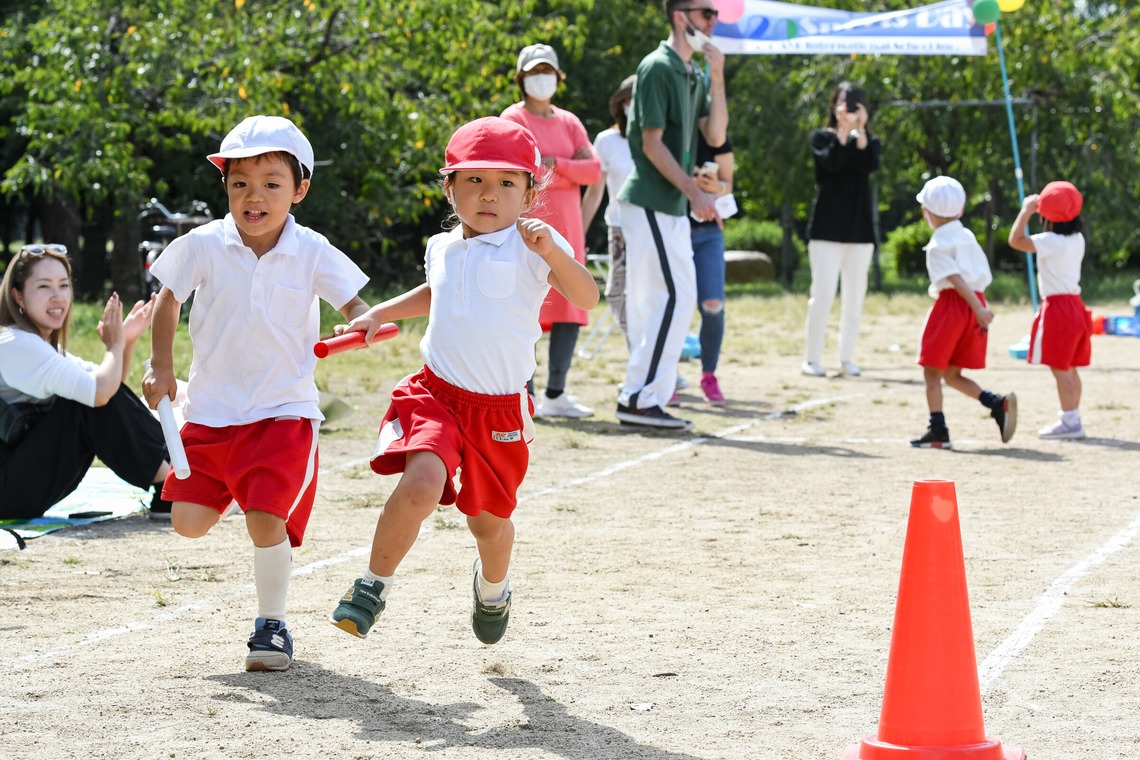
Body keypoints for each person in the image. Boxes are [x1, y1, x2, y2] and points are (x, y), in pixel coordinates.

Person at [328, 117, 598, 646]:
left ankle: (493, 588)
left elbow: (586, 297)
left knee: (487, 524)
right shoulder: (441, 246)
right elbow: (439, 291)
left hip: (499, 411)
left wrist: (552, 253)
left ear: (530, 191)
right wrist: (380, 312)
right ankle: (371, 586)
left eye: (505, 183)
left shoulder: (534, 246)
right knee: (422, 483)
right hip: (438, 394)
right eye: (473, 180)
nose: (488, 194)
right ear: (450, 187)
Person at [142, 115, 371, 672]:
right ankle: (242, 488)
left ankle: (271, 627)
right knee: (187, 522)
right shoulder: (203, 243)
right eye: (240, 182)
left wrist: (363, 322)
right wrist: (161, 365)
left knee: (264, 519)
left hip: (282, 412)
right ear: (225, 187)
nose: (255, 196)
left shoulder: (312, 249)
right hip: (212, 411)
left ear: (300, 189)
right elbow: (168, 299)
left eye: (272, 182)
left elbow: (357, 307)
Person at [615, 0, 727, 430]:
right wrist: (694, 192)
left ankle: (646, 397)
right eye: (706, 13)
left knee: (665, 303)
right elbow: (651, 144)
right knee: (676, 300)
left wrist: (717, 75)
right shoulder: (657, 66)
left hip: (670, 206)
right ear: (681, 16)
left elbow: (714, 135)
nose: (713, 22)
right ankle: (639, 398)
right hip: (652, 201)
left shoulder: (693, 73)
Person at [0, 244, 170, 520]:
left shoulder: (38, 345)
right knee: (81, 402)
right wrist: (114, 346)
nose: (58, 297)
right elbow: (99, 394)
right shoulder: (15, 344)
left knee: (88, 397)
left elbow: (108, 393)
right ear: (18, 295)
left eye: (64, 285)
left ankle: (173, 475)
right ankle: (171, 485)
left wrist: (124, 342)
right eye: (44, 287)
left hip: (16, 482)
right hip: (7, 488)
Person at [501, 43, 601, 419]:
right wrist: (567, 169)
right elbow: (520, 171)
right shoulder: (513, 118)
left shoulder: (570, 121)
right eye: (532, 72)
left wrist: (554, 164)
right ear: (521, 78)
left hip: (568, 231)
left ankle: (556, 393)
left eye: (547, 72)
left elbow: (593, 170)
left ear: (558, 77)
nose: (540, 79)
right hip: (526, 228)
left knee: (569, 308)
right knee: (525, 306)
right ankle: (521, 393)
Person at [910, 176, 1016, 449]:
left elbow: (955, 280)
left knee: (932, 373)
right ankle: (995, 403)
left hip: (955, 305)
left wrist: (976, 307)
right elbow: (977, 276)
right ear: (960, 210)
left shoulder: (937, 246)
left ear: (927, 213)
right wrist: (980, 306)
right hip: (977, 303)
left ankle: (938, 430)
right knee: (952, 373)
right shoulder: (966, 235)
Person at [802, 82, 881, 378]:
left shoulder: (870, 142)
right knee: (821, 295)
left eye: (853, 104)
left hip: (859, 233)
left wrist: (861, 131)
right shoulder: (821, 138)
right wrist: (844, 131)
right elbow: (832, 165)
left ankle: (846, 358)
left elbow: (867, 165)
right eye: (843, 103)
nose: (847, 110)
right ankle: (812, 359)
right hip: (826, 232)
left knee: (854, 298)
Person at [1008, 181, 1090, 439]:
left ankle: (1070, 421)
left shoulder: (1050, 241)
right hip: (1076, 305)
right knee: (1071, 367)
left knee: (1060, 368)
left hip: (1058, 308)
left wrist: (1026, 211)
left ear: (1047, 216)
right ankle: (1072, 415)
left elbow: (1015, 240)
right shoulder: (1077, 239)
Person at [581, 74, 636, 341]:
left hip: (655, 228)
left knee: (653, 296)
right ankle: (643, 354)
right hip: (620, 230)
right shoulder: (607, 141)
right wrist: (578, 235)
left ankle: (654, 362)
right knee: (617, 294)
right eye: (632, 98)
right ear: (621, 104)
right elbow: (594, 191)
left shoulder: (661, 140)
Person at [688, 130, 734, 404]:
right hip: (673, 227)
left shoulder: (716, 137)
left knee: (713, 304)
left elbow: (728, 184)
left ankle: (708, 374)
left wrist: (716, 187)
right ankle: (664, 377)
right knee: (673, 305)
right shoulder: (667, 131)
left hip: (709, 231)